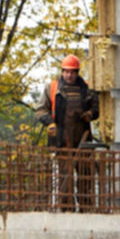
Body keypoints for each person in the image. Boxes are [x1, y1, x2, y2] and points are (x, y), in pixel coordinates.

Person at [35, 54, 100, 211]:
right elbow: (40, 110)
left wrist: (89, 115)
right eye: (66, 71)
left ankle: (87, 209)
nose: (68, 75)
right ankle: (66, 209)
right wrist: (49, 123)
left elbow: (96, 109)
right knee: (65, 177)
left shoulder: (87, 89)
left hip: (83, 141)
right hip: (62, 141)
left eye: (72, 72)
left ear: (77, 72)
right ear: (62, 71)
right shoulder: (52, 88)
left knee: (85, 177)